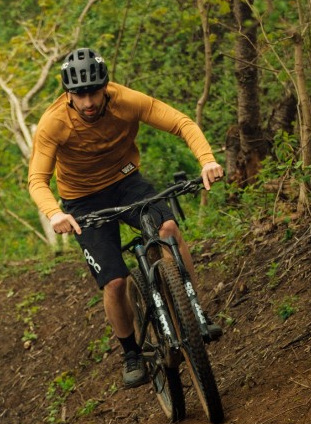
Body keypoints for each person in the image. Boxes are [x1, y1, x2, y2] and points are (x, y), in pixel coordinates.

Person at [28, 47, 224, 388]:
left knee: (169, 229)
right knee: (115, 281)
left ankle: (192, 309)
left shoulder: (126, 100)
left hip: (126, 182)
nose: (88, 102)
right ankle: (131, 352)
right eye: (79, 94)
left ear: (106, 86)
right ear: (68, 94)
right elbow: (37, 180)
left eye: (93, 92)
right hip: (82, 201)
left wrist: (206, 159)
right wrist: (55, 213)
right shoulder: (54, 123)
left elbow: (180, 122)